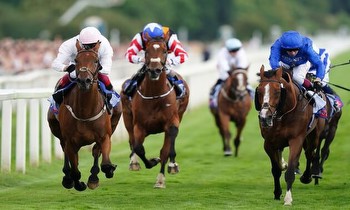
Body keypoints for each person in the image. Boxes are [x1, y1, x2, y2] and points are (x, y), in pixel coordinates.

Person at [50, 26, 119, 112]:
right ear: (79, 42)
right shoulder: (69, 45)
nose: (89, 48)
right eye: (85, 46)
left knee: (105, 78)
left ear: (98, 42)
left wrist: (92, 70)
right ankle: (55, 102)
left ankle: (114, 101)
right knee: (69, 77)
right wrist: (66, 67)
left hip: (95, 69)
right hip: (77, 68)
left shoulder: (105, 45)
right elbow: (55, 64)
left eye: (92, 45)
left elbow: (106, 69)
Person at [269, 30, 328, 119]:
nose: (293, 53)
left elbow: (319, 64)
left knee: (296, 77)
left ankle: (315, 94)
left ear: (300, 47)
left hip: (302, 63)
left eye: (295, 49)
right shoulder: (277, 46)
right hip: (284, 63)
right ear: (283, 47)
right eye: (289, 50)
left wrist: (319, 79)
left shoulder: (306, 45)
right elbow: (273, 62)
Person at [124, 22, 188, 98]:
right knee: (140, 73)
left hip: (166, 56)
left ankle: (179, 89)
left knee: (167, 70)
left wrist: (169, 61)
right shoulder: (139, 37)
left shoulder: (170, 37)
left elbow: (184, 55)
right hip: (149, 56)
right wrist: (140, 59)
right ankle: (129, 92)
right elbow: (128, 55)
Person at [209, 38, 254, 108]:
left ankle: (252, 95)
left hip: (237, 73)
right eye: (232, 51)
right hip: (225, 73)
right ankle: (213, 99)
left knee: (246, 84)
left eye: (236, 50)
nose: (234, 52)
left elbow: (242, 65)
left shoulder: (241, 52)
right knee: (216, 86)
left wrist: (238, 74)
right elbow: (224, 67)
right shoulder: (222, 53)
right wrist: (230, 74)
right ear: (227, 50)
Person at [308, 48, 343, 113]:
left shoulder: (322, 54)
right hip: (309, 69)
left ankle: (336, 100)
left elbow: (322, 68)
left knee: (321, 83)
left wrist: (317, 78)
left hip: (321, 67)